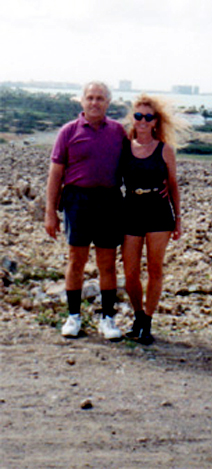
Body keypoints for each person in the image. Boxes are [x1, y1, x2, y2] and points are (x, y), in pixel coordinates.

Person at [45, 81, 126, 340]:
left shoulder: (118, 132)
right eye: (90, 97)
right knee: (76, 260)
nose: (94, 102)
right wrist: (50, 212)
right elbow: (55, 174)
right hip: (77, 199)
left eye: (100, 98)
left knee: (107, 263)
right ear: (82, 101)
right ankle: (73, 317)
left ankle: (108, 319)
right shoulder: (68, 132)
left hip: (109, 200)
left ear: (108, 103)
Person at [121, 94, 186, 345]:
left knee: (155, 269)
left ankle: (147, 321)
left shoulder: (164, 149)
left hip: (159, 212)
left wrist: (178, 219)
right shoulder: (124, 146)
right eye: (138, 116)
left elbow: (173, 185)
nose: (143, 121)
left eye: (148, 117)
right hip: (131, 210)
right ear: (133, 119)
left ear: (156, 121)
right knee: (130, 272)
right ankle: (137, 316)